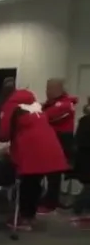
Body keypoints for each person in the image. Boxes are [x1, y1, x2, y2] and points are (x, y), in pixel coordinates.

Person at [0, 87, 68, 230]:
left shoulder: (10, 105)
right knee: (34, 182)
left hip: (31, 149)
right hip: (50, 146)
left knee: (26, 183)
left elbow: (3, 134)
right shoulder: (36, 105)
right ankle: (30, 216)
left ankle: (23, 218)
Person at [41, 78, 77, 214]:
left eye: (50, 88)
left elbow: (46, 116)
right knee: (49, 172)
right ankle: (49, 198)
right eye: (46, 88)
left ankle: (51, 202)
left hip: (61, 141)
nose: (47, 91)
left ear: (59, 89)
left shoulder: (64, 105)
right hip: (51, 140)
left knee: (54, 173)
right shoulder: (51, 104)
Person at [72, 111, 90, 228]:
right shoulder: (86, 121)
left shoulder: (84, 120)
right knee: (88, 186)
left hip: (84, 158)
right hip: (86, 158)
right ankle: (79, 209)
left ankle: (80, 208)